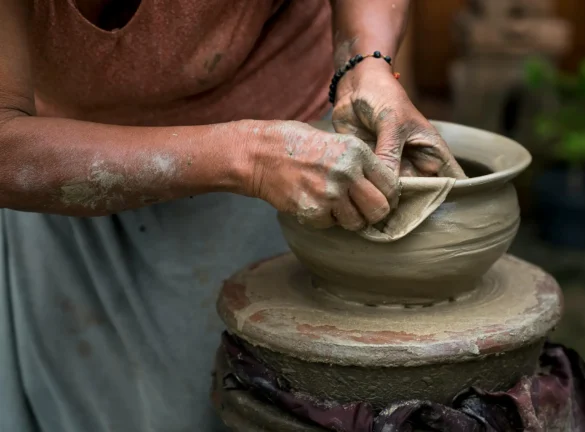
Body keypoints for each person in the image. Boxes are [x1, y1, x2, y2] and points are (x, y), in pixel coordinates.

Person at [0, 1, 465, 431]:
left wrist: (367, 63)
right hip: (63, 157)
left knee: (222, 400)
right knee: (74, 397)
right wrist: (250, 157)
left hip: (282, 125)